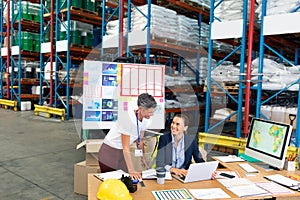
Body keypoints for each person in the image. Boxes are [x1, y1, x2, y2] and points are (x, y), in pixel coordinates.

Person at [98, 93, 157, 180]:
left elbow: (139, 140)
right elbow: (125, 147)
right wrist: (132, 170)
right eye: (149, 112)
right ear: (140, 108)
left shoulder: (146, 120)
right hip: (109, 151)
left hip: (122, 153)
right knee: (112, 183)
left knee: (126, 181)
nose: (151, 115)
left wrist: (142, 158)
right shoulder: (127, 119)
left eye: (153, 112)